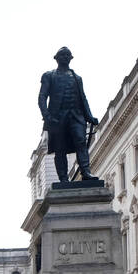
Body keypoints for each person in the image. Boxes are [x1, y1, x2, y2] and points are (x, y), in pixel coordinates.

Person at [39, 47, 100, 183]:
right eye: (62, 55)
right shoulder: (49, 75)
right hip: (57, 118)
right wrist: (47, 116)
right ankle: (63, 178)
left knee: (80, 141)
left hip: (76, 116)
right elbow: (42, 97)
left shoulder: (77, 78)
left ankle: (86, 172)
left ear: (71, 58)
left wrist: (89, 116)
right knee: (60, 149)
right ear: (56, 58)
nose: (65, 57)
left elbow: (83, 98)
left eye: (67, 55)